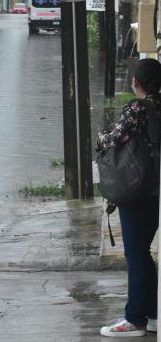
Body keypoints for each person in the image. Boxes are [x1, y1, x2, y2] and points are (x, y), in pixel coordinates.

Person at [98, 58, 161, 337]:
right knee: (144, 254)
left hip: (139, 189)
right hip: (159, 188)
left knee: (136, 254)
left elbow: (114, 139)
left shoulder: (138, 107)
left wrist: (100, 138)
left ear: (136, 82)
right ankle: (154, 314)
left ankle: (134, 319)